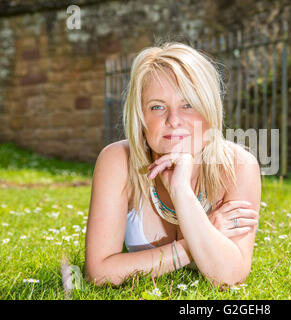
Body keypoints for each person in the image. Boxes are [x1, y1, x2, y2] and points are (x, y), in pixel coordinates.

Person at [84, 42, 261, 289]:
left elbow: (229, 276)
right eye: (157, 107)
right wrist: (191, 246)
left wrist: (181, 190)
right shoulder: (117, 160)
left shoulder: (238, 166)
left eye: (188, 104)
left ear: (209, 110)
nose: (174, 120)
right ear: (140, 117)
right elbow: (100, 274)